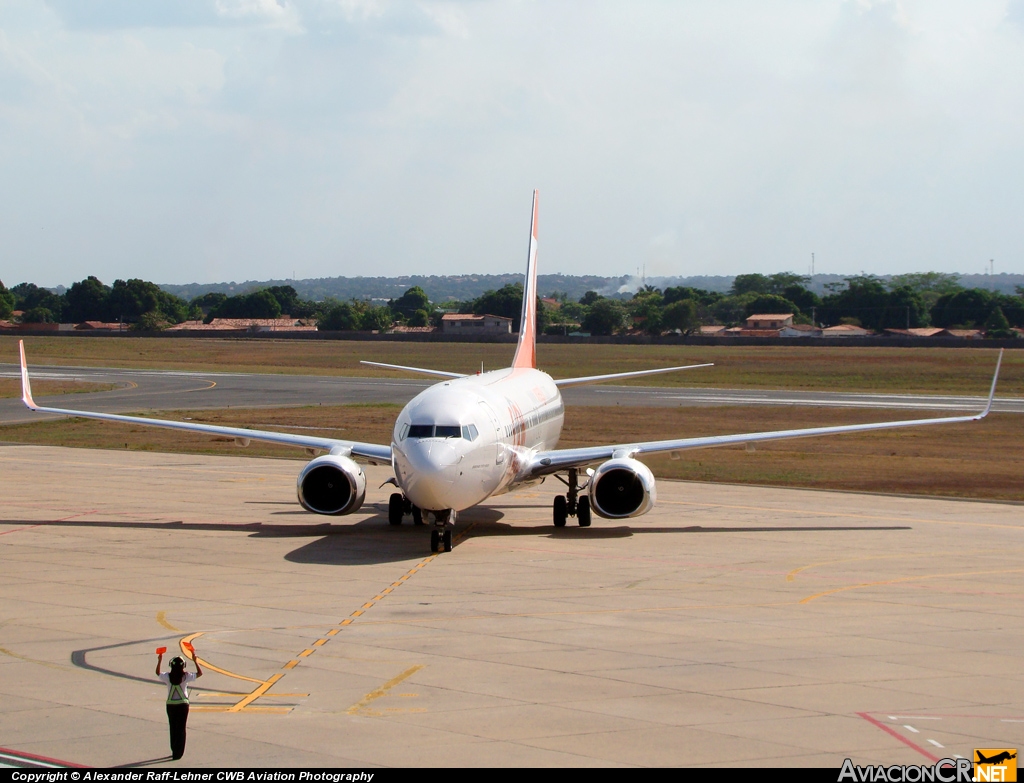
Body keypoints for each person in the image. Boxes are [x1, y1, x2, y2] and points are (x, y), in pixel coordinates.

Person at [155, 647, 202, 760]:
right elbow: (199, 673)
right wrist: (195, 660)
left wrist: (159, 660)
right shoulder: (186, 676)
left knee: (173, 727)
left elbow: (158, 673)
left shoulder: (167, 676)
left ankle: (173, 749)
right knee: (181, 728)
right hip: (183, 705)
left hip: (171, 705)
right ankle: (179, 752)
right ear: (183, 666)